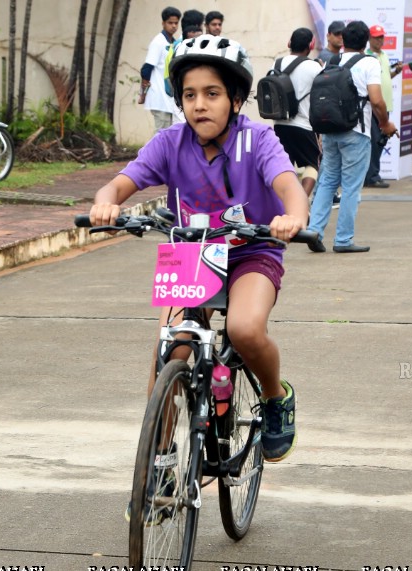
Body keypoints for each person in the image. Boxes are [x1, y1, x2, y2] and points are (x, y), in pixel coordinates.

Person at [89, 35, 309, 473]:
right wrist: (106, 202)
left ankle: (274, 397)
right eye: (189, 95)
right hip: (192, 254)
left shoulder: (258, 139)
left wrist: (293, 217)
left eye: (212, 94)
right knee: (171, 350)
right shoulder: (170, 143)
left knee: (245, 330)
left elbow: (287, 186)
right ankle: (161, 465)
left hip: (253, 251)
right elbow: (119, 184)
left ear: (236, 99)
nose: (199, 105)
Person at [305, 21, 396, 254]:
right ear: (366, 41)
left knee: (327, 182)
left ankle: (314, 230)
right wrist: (385, 124)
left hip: (330, 130)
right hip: (356, 132)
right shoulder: (369, 63)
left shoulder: (333, 61)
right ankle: (343, 240)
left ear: (343, 40)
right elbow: (376, 100)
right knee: (351, 187)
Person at [272, 28, 325, 196]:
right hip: (304, 125)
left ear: (289, 43)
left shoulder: (277, 63)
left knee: (285, 166)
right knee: (313, 164)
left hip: (280, 124)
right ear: (311, 45)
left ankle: (285, 202)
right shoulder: (314, 67)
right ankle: (302, 201)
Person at [364, 24, 402, 188]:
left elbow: (385, 77)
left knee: (381, 140)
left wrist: (396, 72)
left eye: (381, 37)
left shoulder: (384, 55)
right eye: (376, 37)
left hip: (384, 103)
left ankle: (373, 173)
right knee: (374, 140)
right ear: (369, 39)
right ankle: (371, 176)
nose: (380, 40)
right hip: (373, 105)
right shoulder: (367, 56)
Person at [141, 7, 181, 133]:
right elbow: (146, 69)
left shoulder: (173, 43)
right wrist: (144, 92)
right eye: (170, 23)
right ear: (163, 23)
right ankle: (148, 154)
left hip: (168, 98)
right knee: (160, 134)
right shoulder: (158, 42)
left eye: (176, 23)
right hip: (158, 97)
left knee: (167, 133)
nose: (173, 26)